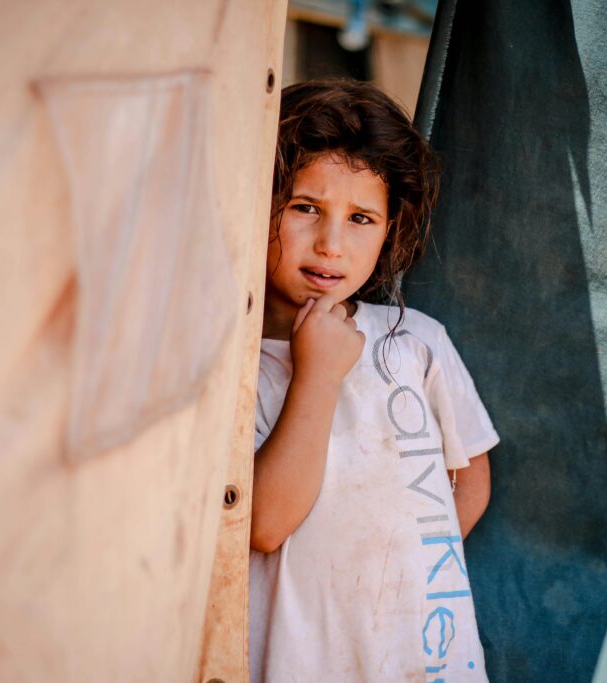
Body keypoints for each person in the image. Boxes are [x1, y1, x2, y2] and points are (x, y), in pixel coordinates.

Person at [250, 79, 500, 682]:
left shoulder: (417, 340)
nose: (332, 243)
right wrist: (316, 375)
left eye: (361, 218)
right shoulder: (235, 367)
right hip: (304, 659)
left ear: (390, 229)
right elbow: (262, 524)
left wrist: (401, 581)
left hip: (425, 654)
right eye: (305, 207)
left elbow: (470, 480)